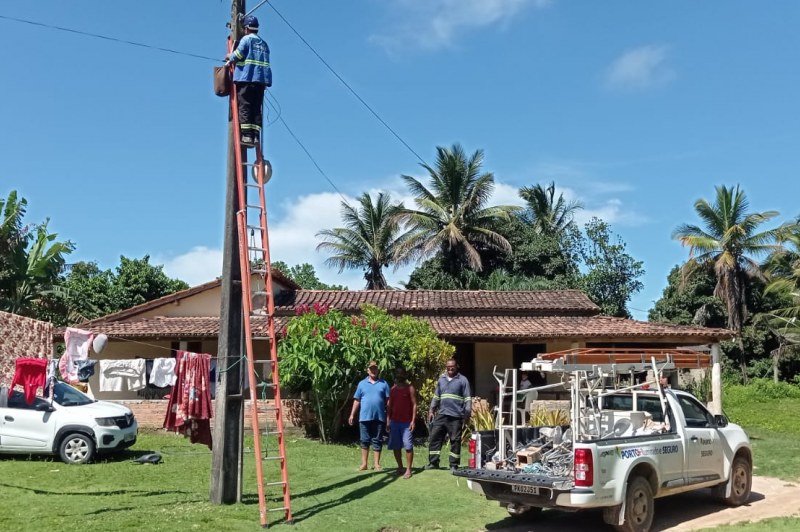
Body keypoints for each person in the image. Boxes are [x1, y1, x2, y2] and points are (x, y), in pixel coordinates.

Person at [225, 15, 272, 147]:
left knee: (245, 105)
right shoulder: (264, 44)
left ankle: (246, 135)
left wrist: (229, 56)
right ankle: (255, 136)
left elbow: (238, 55)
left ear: (246, 28)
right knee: (256, 108)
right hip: (261, 81)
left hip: (246, 78)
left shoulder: (246, 40)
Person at [425, 358, 472, 472]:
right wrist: (431, 410)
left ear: (457, 367)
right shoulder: (442, 379)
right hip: (442, 415)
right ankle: (433, 462)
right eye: (448, 367)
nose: (450, 369)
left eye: (452, 367)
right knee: (434, 438)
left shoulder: (463, 380)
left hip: (456, 416)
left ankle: (453, 465)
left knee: (455, 440)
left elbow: (467, 398)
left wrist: (467, 414)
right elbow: (436, 396)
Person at [349, 360, 390, 471]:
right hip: (364, 417)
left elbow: (388, 402)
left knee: (377, 440)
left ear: (378, 370)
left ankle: (376, 464)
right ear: (368, 370)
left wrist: (388, 418)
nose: (373, 371)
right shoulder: (362, 384)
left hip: (379, 417)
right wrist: (352, 414)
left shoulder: (384, 384)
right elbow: (357, 400)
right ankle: (364, 464)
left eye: (375, 368)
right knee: (364, 440)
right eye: (371, 369)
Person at [386, 367, 417, 479]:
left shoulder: (410, 388)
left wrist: (413, 421)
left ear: (405, 374)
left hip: (406, 423)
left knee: (408, 446)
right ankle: (400, 467)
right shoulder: (393, 389)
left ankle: (408, 470)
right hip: (394, 422)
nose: (400, 375)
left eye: (401, 373)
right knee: (396, 446)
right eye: (398, 373)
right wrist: (388, 421)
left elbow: (414, 404)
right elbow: (389, 406)